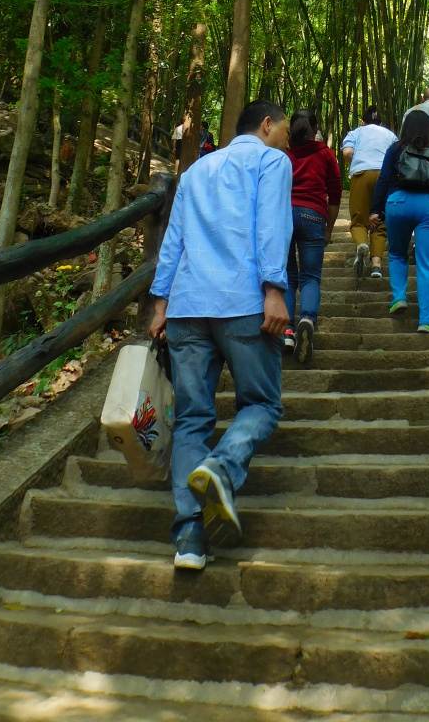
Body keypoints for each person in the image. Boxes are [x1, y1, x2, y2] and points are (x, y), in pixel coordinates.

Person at [148, 99, 292, 571]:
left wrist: (161, 302)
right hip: (244, 302)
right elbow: (272, 227)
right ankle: (222, 468)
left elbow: (174, 239)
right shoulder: (272, 161)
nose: (287, 140)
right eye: (285, 130)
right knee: (263, 405)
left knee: (192, 420)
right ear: (267, 125)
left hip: (189, 306)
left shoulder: (195, 172)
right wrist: (275, 288)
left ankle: (190, 537)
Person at [369, 110, 429, 335]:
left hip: (398, 205)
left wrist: (375, 211)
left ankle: (399, 297)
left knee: (398, 253)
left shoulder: (395, 149)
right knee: (428, 264)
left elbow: (383, 181)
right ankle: (426, 321)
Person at [283, 108, 342, 365]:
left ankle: (286, 329)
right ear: (315, 129)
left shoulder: (282, 153)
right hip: (313, 216)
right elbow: (336, 193)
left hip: (283, 216)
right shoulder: (326, 155)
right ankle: (307, 319)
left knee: (286, 275)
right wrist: (328, 228)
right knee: (310, 276)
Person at [341, 106, 398, 278]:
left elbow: (347, 152)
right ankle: (376, 266)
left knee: (359, 219)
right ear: (380, 122)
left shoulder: (356, 133)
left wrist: (356, 162)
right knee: (380, 221)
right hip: (384, 176)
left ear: (363, 122)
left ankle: (360, 245)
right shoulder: (389, 135)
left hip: (361, 174)